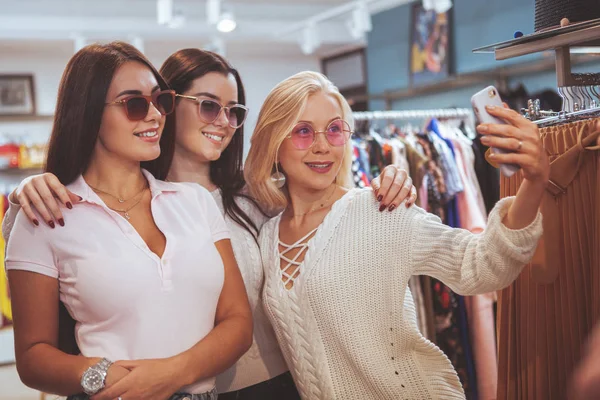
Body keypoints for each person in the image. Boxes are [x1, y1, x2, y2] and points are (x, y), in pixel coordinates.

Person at [2, 49, 417, 399]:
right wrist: (28, 189)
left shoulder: (260, 197)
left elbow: (329, 198)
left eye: (233, 111)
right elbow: (37, 324)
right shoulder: (56, 207)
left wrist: (388, 181)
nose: (222, 120)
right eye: (207, 105)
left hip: (282, 382)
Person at [244, 71, 548, 399]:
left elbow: (481, 266)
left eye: (334, 130)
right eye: (303, 131)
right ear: (274, 141)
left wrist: (534, 182)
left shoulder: (378, 209)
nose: (322, 146)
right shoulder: (267, 236)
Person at [5, 41, 253, 400]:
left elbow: (238, 322)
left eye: (160, 100)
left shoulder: (195, 201)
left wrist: (171, 374)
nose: (155, 115)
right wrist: (109, 377)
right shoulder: (46, 215)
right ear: (89, 112)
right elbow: (32, 356)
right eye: (134, 104)